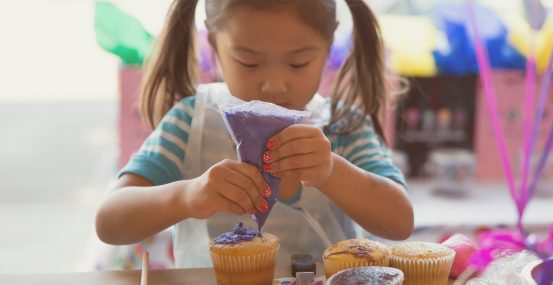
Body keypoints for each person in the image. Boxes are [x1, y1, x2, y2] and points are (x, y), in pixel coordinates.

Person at [95, 0, 414, 268]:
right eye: (248, 62)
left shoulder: (345, 125)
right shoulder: (190, 122)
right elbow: (110, 221)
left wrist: (332, 171)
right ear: (215, 47)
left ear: (328, 48)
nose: (274, 86)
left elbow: (400, 222)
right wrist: (188, 195)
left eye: (298, 63)